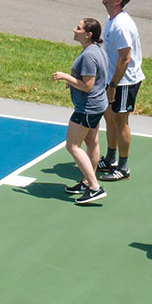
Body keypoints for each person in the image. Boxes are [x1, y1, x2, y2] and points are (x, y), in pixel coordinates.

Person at [51, 17, 109, 205]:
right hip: (97, 105)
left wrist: (64, 76)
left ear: (88, 34)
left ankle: (94, 187)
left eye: (78, 28)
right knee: (92, 142)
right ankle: (87, 182)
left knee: (72, 145)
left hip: (87, 108)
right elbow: (90, 80)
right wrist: (73, 81)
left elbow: (88, 86)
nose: (74, 29)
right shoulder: (96, 51)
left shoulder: (89, 56)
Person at [98, 0, 143, 182]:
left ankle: (123, 167)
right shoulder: (111, 18)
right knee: (110, 117)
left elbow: (125, 58)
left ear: (117, 0)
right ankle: (110, 158)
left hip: (124, 81)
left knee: (121, 121)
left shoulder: (122, 25)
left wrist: (114, 87)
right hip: (112, 78)